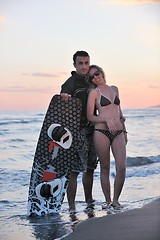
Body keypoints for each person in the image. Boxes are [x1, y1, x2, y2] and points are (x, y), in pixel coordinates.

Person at [60, 51, 98, 213]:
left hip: (93, 130)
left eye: (86, 63)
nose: (84, 66)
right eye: (80, 63)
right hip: (76, 131)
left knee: (90, 168)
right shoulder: (70, 83)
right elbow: (61, 103)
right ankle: (71, 206)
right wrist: (64, 97)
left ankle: (89, 201)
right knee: (74, 170)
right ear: (74, 64)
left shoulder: (92, 82)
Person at [87, 65, 128, 210]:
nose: (95, 77)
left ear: (102, 72)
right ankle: (108, 201)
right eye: (92, 76)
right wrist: (105, 120)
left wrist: (125, 131)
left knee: (121, 168)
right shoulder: (94, 93)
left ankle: (116, 200)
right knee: (104, 167)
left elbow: (119, 113)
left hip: (118, 132)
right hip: (101, 133)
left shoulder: (114, 89)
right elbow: (90, 116)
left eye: (96, 73)